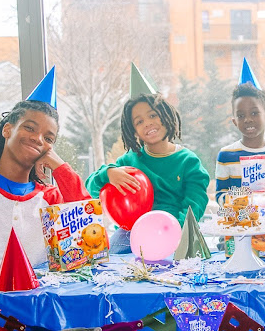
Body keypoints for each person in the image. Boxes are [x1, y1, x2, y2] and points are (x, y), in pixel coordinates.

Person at [0, 99, 90, 320]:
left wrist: (61, 167)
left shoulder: (51, 198)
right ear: (7, 129)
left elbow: (89, 241)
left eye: (48, 138)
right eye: (29, 127)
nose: (38, 138)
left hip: (39, 312)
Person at [85, 93, 209, 254]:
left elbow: (195, 204)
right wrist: (108, 174)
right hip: (131, 234)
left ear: (166, 115)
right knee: (110, 260)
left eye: (153, 115)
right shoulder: (128, 161)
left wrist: (175, 231)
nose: (148, 123)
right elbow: (91, 189)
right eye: (139, 122)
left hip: (173, 230)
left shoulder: (189, 161)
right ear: (134, 131)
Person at [215, 81, 265, 250]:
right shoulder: (226, 155)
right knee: (227, 245)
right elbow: (220, 195)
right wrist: (236, 200)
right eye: (241, 115)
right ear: (234, 121)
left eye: (254, 113)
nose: (248, 119)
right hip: (238, 219)